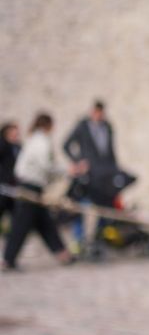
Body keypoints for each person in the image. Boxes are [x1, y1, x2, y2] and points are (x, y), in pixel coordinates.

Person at [2, 113, 80, 271]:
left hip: (32, 187)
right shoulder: (42, 141)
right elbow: (46, 165)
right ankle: (7, 260)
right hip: (29, 187)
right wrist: (67, 171)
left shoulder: (33, 140)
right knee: (20, 226)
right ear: (48, 125)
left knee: (45, 223)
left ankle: (62, 253)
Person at [63, 100, 117, 257]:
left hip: (104, 176)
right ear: (91, 112)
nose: (98, 116)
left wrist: (114, 170)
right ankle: (78, 242)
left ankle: (98, 241)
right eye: (96, 112)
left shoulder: (107, 127)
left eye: (101, 113)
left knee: (104, 209)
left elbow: (111, 151)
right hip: (86, 176)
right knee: (80, 207)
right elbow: (66, 144)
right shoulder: (82, 126)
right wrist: (77, 162)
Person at [0, 122, 22, 230]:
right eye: (14, 133)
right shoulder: (2, 145)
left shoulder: (18, 147)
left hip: (14, 187)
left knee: (16, 215)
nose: (17, 135)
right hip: (3, 186)